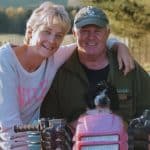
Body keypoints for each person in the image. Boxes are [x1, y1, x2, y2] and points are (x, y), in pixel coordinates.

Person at [0, 2, 133, 149]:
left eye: (58, 35)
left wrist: (120, 46)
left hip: (30, 139)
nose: (52, 41)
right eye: (47, 31)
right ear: (31, 31)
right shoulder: (4, 63)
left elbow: (91, 42)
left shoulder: (53, 57)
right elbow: (10, 128)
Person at [40, 6, 150, 130]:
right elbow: (48, 125)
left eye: (97, 31)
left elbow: (147, 113)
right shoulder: (60, 75)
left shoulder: (128, 68)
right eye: (85, 31)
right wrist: (76, 127)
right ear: (75, 34)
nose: (91, 37)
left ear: (107, 33)